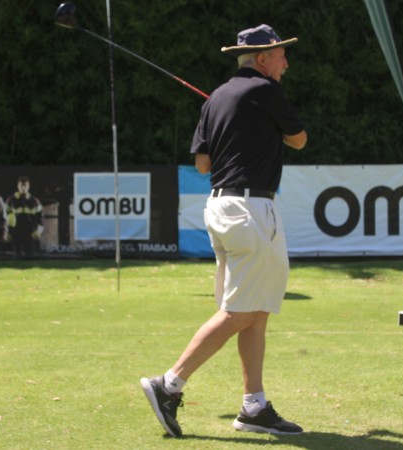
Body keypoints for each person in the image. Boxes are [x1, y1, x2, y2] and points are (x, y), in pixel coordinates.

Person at [140, 24, 308, 438]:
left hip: (221, 207)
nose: (286, 62)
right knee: (242, 311)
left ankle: (254, 407)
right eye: (281, 54)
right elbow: (300, 139)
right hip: (251, 210)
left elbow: (203, 165)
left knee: (255, 310)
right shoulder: (266, 91)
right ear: (263, 58)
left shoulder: (216, 98)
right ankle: (169, 384)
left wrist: (240, 134)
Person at [6, 176, 44, 259]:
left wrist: (38, 232)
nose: (23, 187)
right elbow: (5, 217)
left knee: (30, 256)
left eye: (25, 185)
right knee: (17, 256)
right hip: (15, 232)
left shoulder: (35, 201)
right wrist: (7, 232)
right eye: (21, 185)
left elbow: (40, 218)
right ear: (17, 186)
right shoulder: (11, 200)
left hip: (30, 233)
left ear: (28, 186)